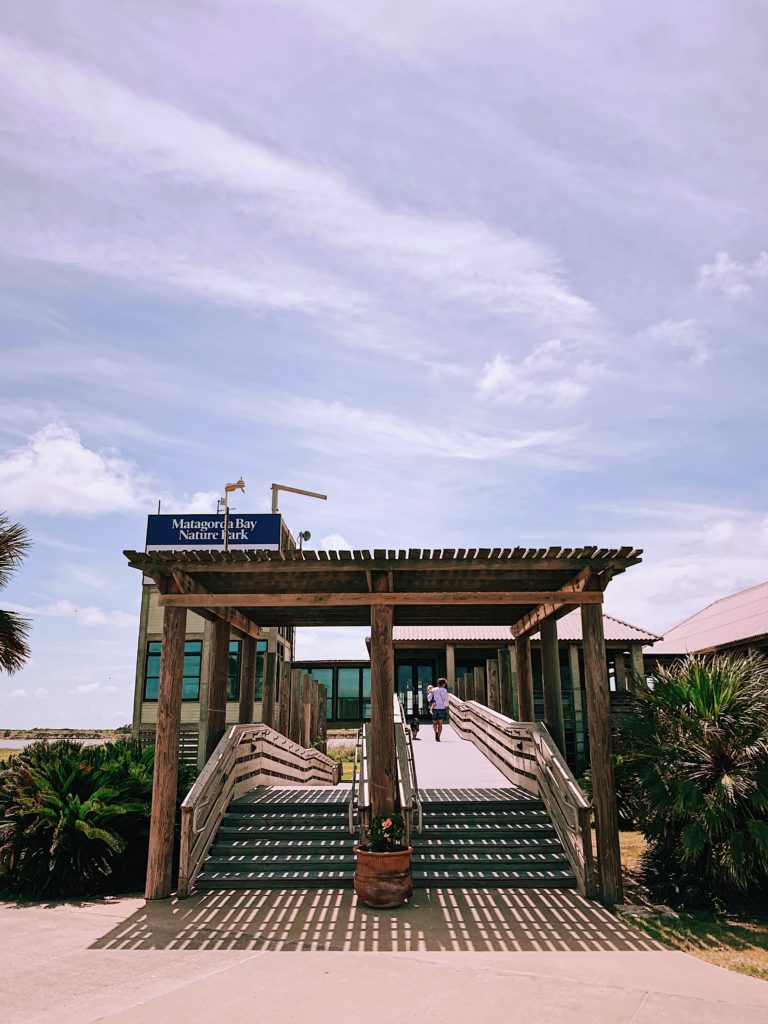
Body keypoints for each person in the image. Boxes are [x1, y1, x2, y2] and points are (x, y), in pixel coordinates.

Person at [431, 677, 449, 742]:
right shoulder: (445, 690)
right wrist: (446, 705)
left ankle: (435, 732)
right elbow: (446, 700)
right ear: (444, 684)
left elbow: (429, 697)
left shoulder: (434, 689)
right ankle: (438, 736)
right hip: (441, 708)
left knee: (434, 723)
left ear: (438, 684)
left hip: (435, 708)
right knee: (440, 724)